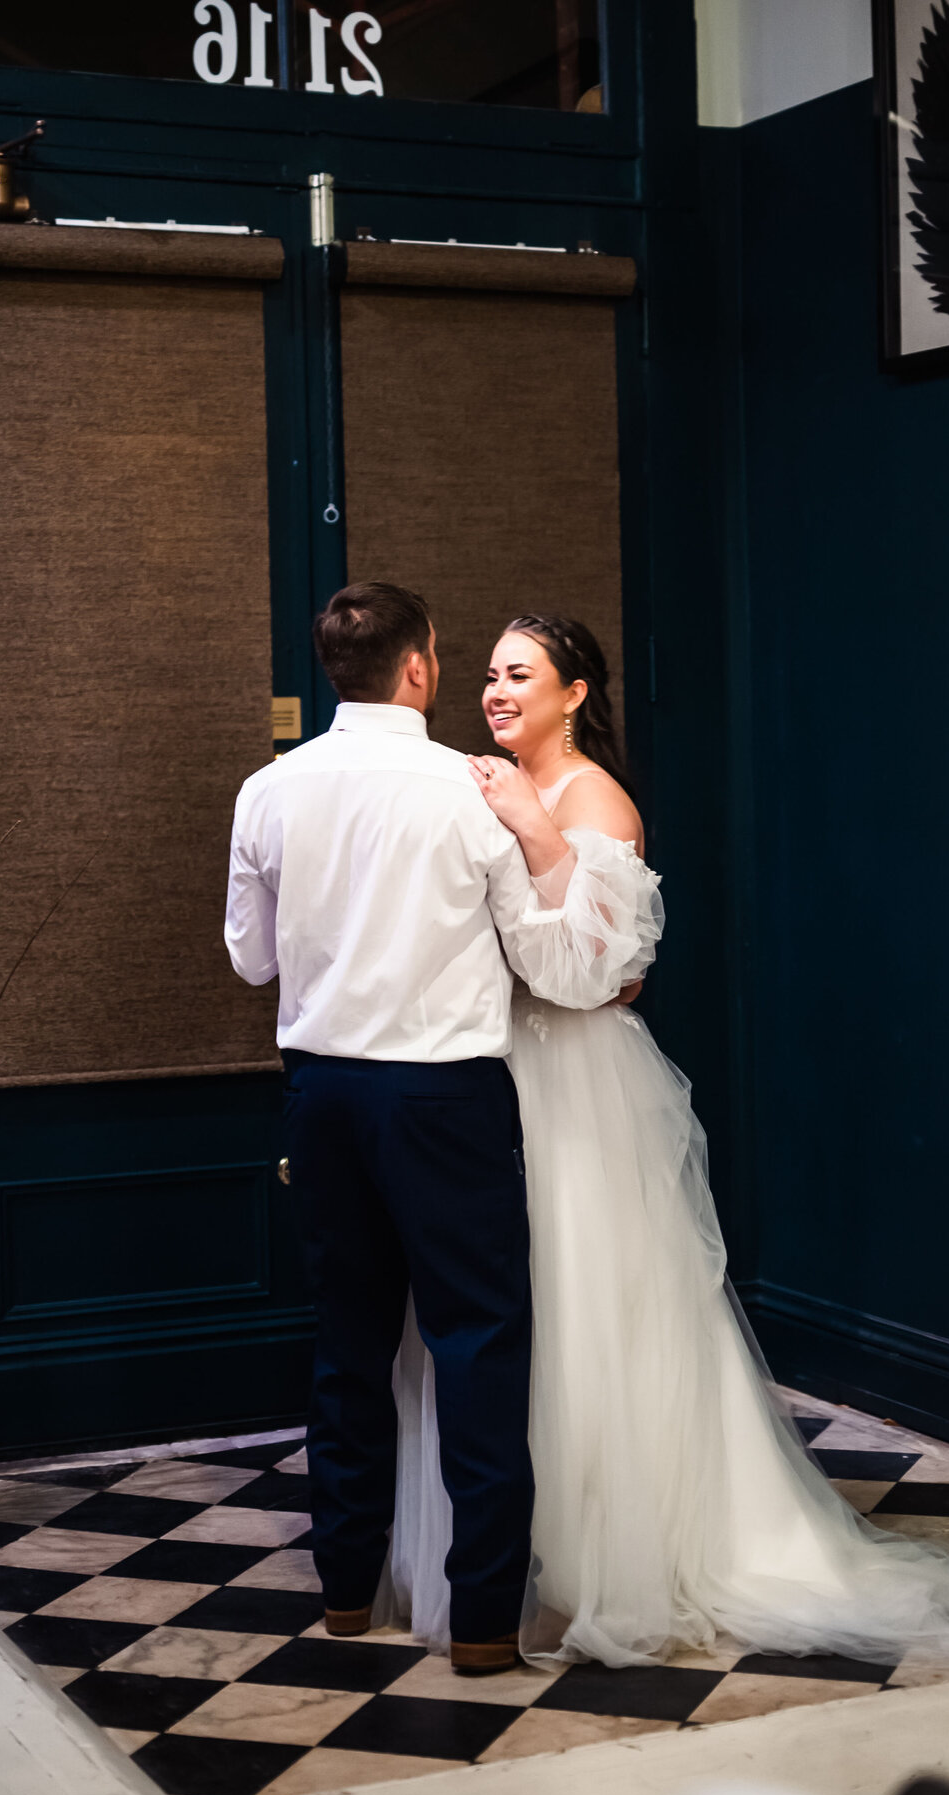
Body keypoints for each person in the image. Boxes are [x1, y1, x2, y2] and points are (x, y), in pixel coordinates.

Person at [382, 614, 949, 1670]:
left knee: (588, 1304)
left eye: (520, 674)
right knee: (505, 1316)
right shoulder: (482, 787)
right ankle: (509, 1552)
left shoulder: (594, 800)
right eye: (490, 673)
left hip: (573, 1083)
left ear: (574, 693)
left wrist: (535, 835)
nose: (495, 691)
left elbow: (602, 973)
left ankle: (612, 1556)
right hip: (489, 1074)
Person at [224, 585, 660, 1676]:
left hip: (323, 1094)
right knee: (477, 1348)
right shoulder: (468, 792)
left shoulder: (267, 790)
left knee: (349, 1347)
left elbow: (252, 959)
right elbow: (554, 963)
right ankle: (482, 1620)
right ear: (418, 666)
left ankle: (345, 1592)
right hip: (444, 1098)